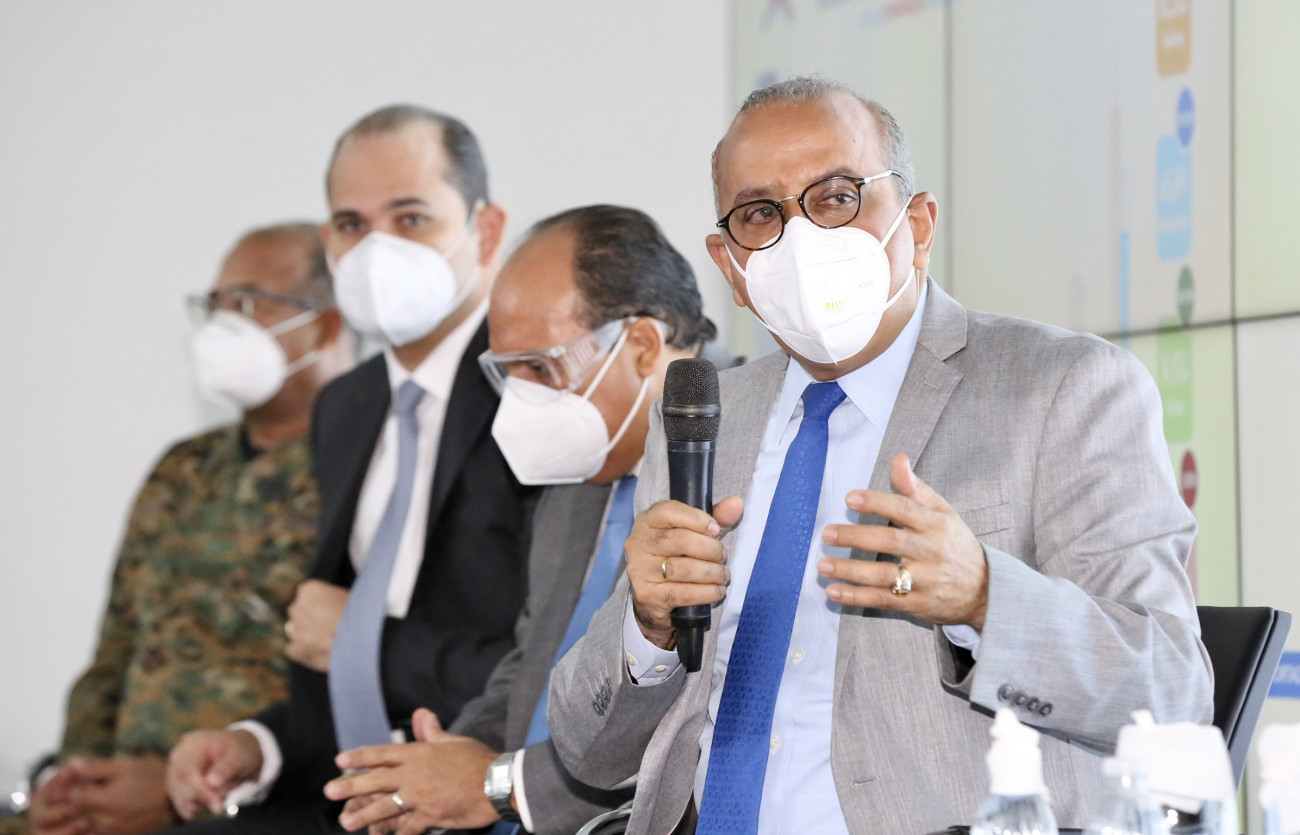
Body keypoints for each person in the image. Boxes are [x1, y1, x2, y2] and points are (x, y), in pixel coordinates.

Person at [546, 77, 1214, 834]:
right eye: (762, 214)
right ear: (730, 266)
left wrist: (984, 598)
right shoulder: (703, 420)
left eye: (836, 198)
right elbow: (589, 753)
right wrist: (646, 629)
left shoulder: (1064, 387)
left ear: (918, 224)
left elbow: (1172, 689)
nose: (802, 239)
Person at [162, 106, 536, 834]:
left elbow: (556, 664)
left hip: (485, 793)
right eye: (351, 224)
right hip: (356, 794)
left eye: (411, 218)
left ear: (487, 232)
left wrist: (368, 645)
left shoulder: (534, 386)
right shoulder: (348, 404)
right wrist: (258, 745)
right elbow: (335, 659)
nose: (376, 251)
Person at [319, 204, 722, 835]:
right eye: (507, 372)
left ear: (642, 346)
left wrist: (496, 785)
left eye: (540, 367)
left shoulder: (735, 470)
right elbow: (534, 660)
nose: (521, 399)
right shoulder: (574, 481)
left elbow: (687, 728)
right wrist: (452, 756)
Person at [9, 222, 350, 835]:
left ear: (327, 326)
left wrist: (174, 795)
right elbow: (116, 651)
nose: (225, 324)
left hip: (248, 801)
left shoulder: (361, 472)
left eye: (248, 303)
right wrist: (74, 784)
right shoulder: (184, 467)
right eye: (216, 305)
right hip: (111, 799)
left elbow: (352, 695)